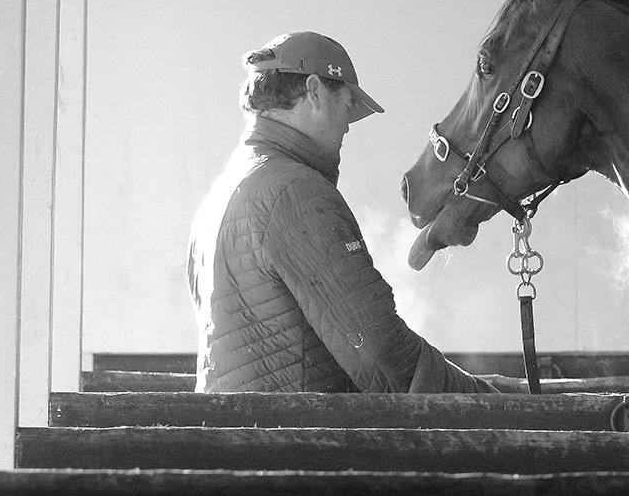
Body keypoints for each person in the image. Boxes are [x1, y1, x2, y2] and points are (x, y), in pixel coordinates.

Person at [188, 30, 497, 393]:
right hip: (297, 444)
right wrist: (490, 401)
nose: (348, 125)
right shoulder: (296, 193)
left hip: (239, 440)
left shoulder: (220, 195)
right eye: (348, 105)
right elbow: (382, 353)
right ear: (316, 91)